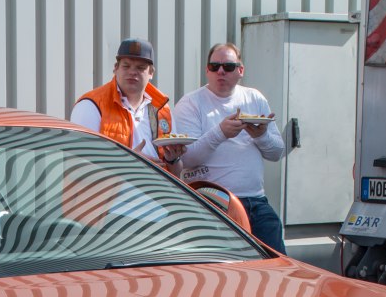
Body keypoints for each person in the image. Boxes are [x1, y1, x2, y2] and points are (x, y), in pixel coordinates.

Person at [174, 43, 288, 252]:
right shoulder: (191, 103)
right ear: (207, 70)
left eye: (228, 66)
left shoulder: (254, 98)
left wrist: (262, 136)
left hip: (255, 201)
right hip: (210, 202)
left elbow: (277, 152)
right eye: (214, 66)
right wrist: (220, 133)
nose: (220, 71)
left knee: (278, 264)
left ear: (240, 71)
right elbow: (185, 160)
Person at [69, 38, 184, 170]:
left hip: (154, 190)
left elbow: (175, 175)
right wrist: (128, 162)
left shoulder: (162, 110)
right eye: (126, 66)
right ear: (115, 68)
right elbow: (79, 165)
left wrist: (173, 160)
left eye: (140, 68)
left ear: (151, 73)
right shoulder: (91, 106)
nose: (132, 72)